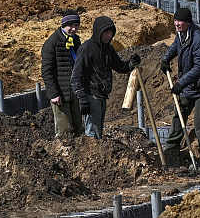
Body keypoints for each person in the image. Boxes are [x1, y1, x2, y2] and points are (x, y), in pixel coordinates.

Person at [160, 7, 200, 169]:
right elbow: (175, 47)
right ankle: (171, 151)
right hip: (189, 87)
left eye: (180, 21)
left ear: (188, 22)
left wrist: (180, 83)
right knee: (179, 115)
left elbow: (199, 67)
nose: (177, 24)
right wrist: (166, 59)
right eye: (175, 20)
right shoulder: (181, 34)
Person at [71, 15, 140, 139]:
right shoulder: (87, 49)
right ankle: (91, 157)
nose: (109, 36)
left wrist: (131, 64)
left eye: (111, 33)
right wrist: (82, 99)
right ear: (99, 32)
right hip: (91, 95)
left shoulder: (108, 49)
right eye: (106, 33)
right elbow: (76, 77)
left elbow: (119, 66)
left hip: (102, 96)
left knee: (98, 132)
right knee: (92, 134)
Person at [41, 11, 83, 139]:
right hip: (60, 94)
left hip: (75, 92)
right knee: (65, 132)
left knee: (79, 129)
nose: (74, 28)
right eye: (70, 25)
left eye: (76, 25)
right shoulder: (51, 43)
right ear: (63, 25)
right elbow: (46, 71)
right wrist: (54, 94)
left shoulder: (76, 40)